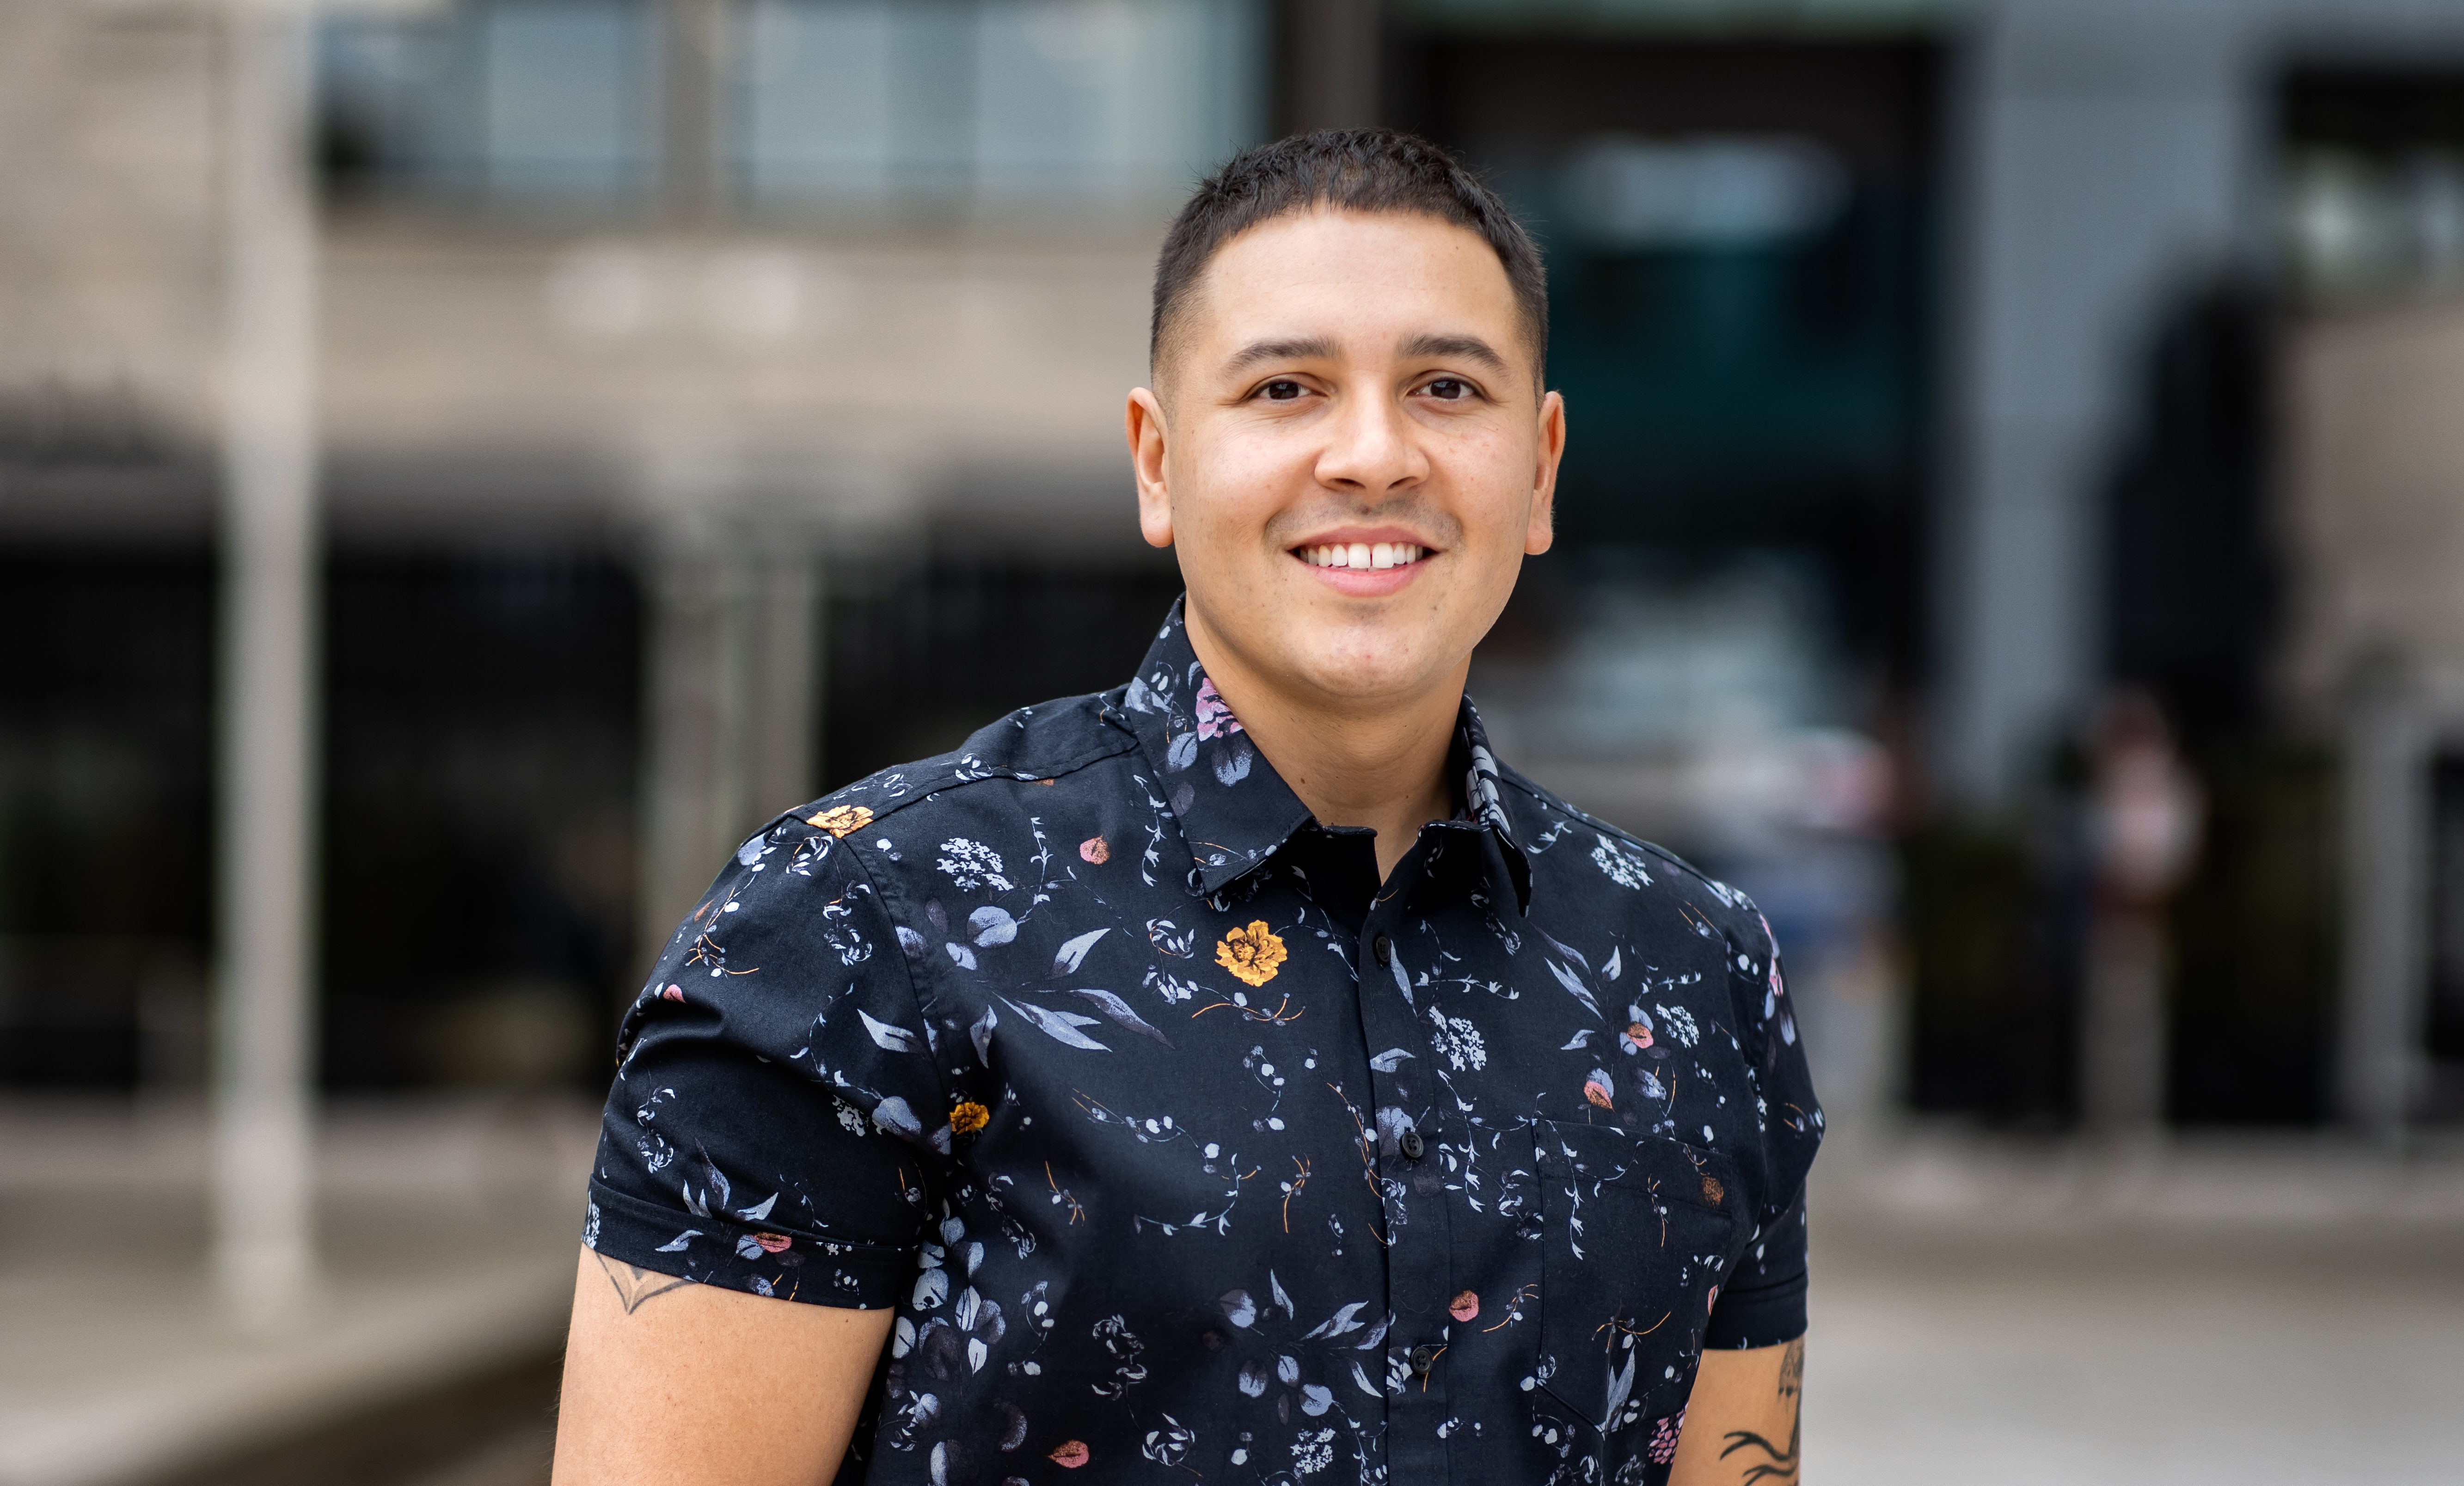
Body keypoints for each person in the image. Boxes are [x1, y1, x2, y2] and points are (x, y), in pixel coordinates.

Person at [553, 129, 1821, 1486]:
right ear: (1156, 463)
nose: (1373, 455)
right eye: (1286, 388)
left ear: (1541, 467)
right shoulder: (856, 928)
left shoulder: (1694, 969)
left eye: (1446, 387)